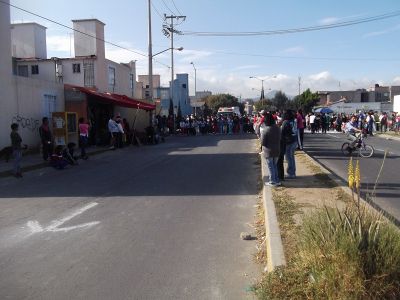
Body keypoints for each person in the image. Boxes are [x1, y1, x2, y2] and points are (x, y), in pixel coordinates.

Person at [261, 112, 281, 186]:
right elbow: (280, 138)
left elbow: (263, 142)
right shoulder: (278, 128)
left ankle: (272, 181)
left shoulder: (265, 130)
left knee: (270, 166)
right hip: (277, 149)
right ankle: (276, 180)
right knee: (275, 165)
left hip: (268, 151)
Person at [281, 110, 297, 179]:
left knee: (289, 158)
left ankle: (291, 173)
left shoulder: (285, 122)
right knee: (292, 157)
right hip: (294, 140)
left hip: (288, 141)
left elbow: (282, 132)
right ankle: (293, 172)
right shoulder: (293, 121)